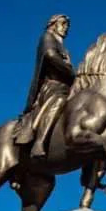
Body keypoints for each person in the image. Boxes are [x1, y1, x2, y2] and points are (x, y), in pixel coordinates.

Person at [14, 14, 75, 158]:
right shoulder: (47, 38)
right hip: (52, 87)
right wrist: (72, 73)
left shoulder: (64, 48)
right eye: (63, 24)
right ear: (53, 25)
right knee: (59, 101)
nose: (66, 28)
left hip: (66, 87)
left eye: (67, 26)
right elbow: (50, 56)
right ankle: (39, 143)